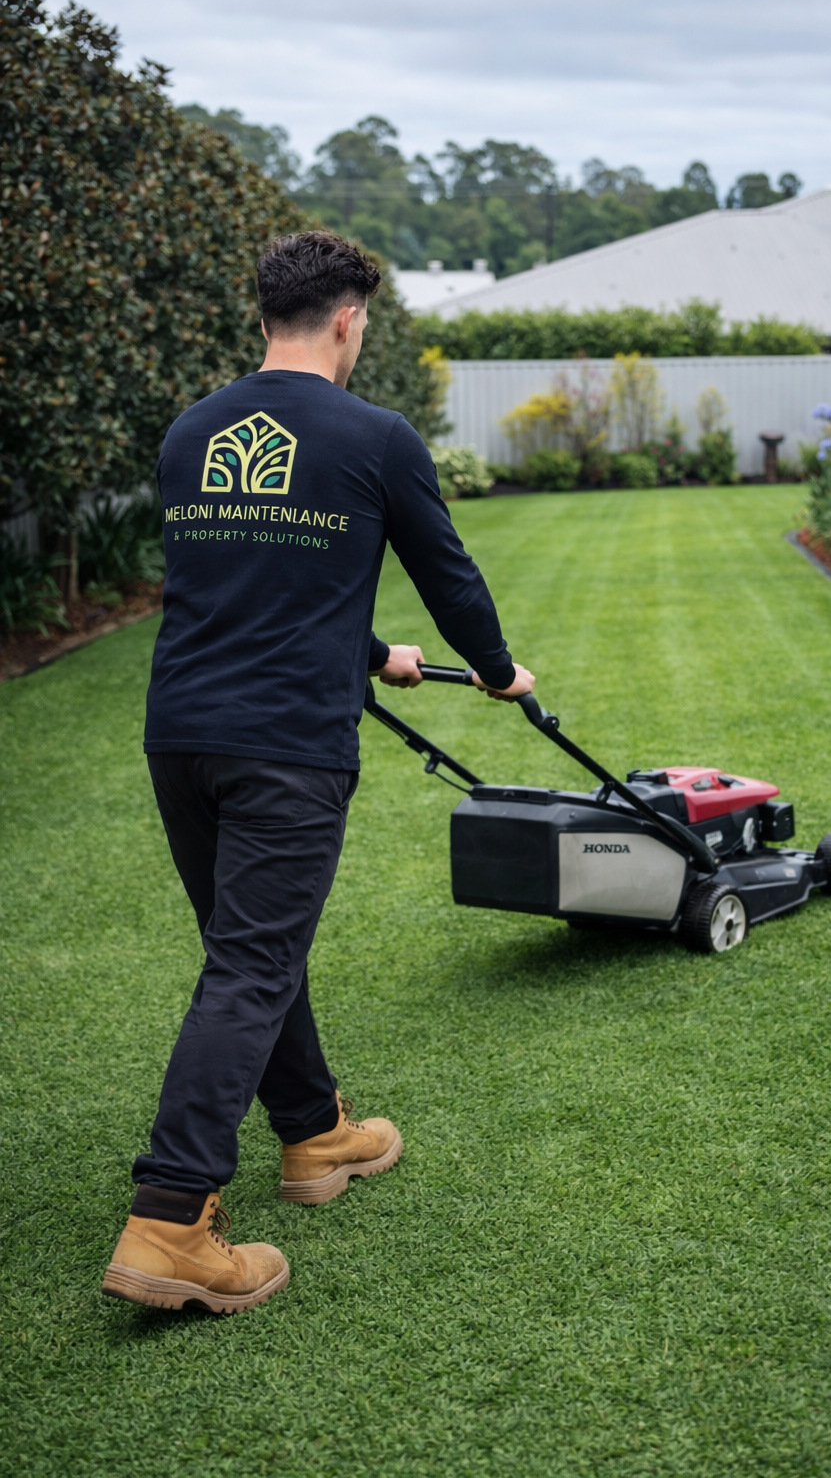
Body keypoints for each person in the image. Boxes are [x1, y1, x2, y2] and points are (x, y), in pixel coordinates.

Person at [102, 231, 534, 1314]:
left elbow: (249, 584)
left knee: (249, 947)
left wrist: (373, 653)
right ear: (347, 320)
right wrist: (495, 671)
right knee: (249, 966)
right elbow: (449, 575)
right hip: (285, 747)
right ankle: (171, 1221)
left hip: (181, 736)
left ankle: (313, 1134)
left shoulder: (192, 431)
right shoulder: (375, 436)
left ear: (265, 317)